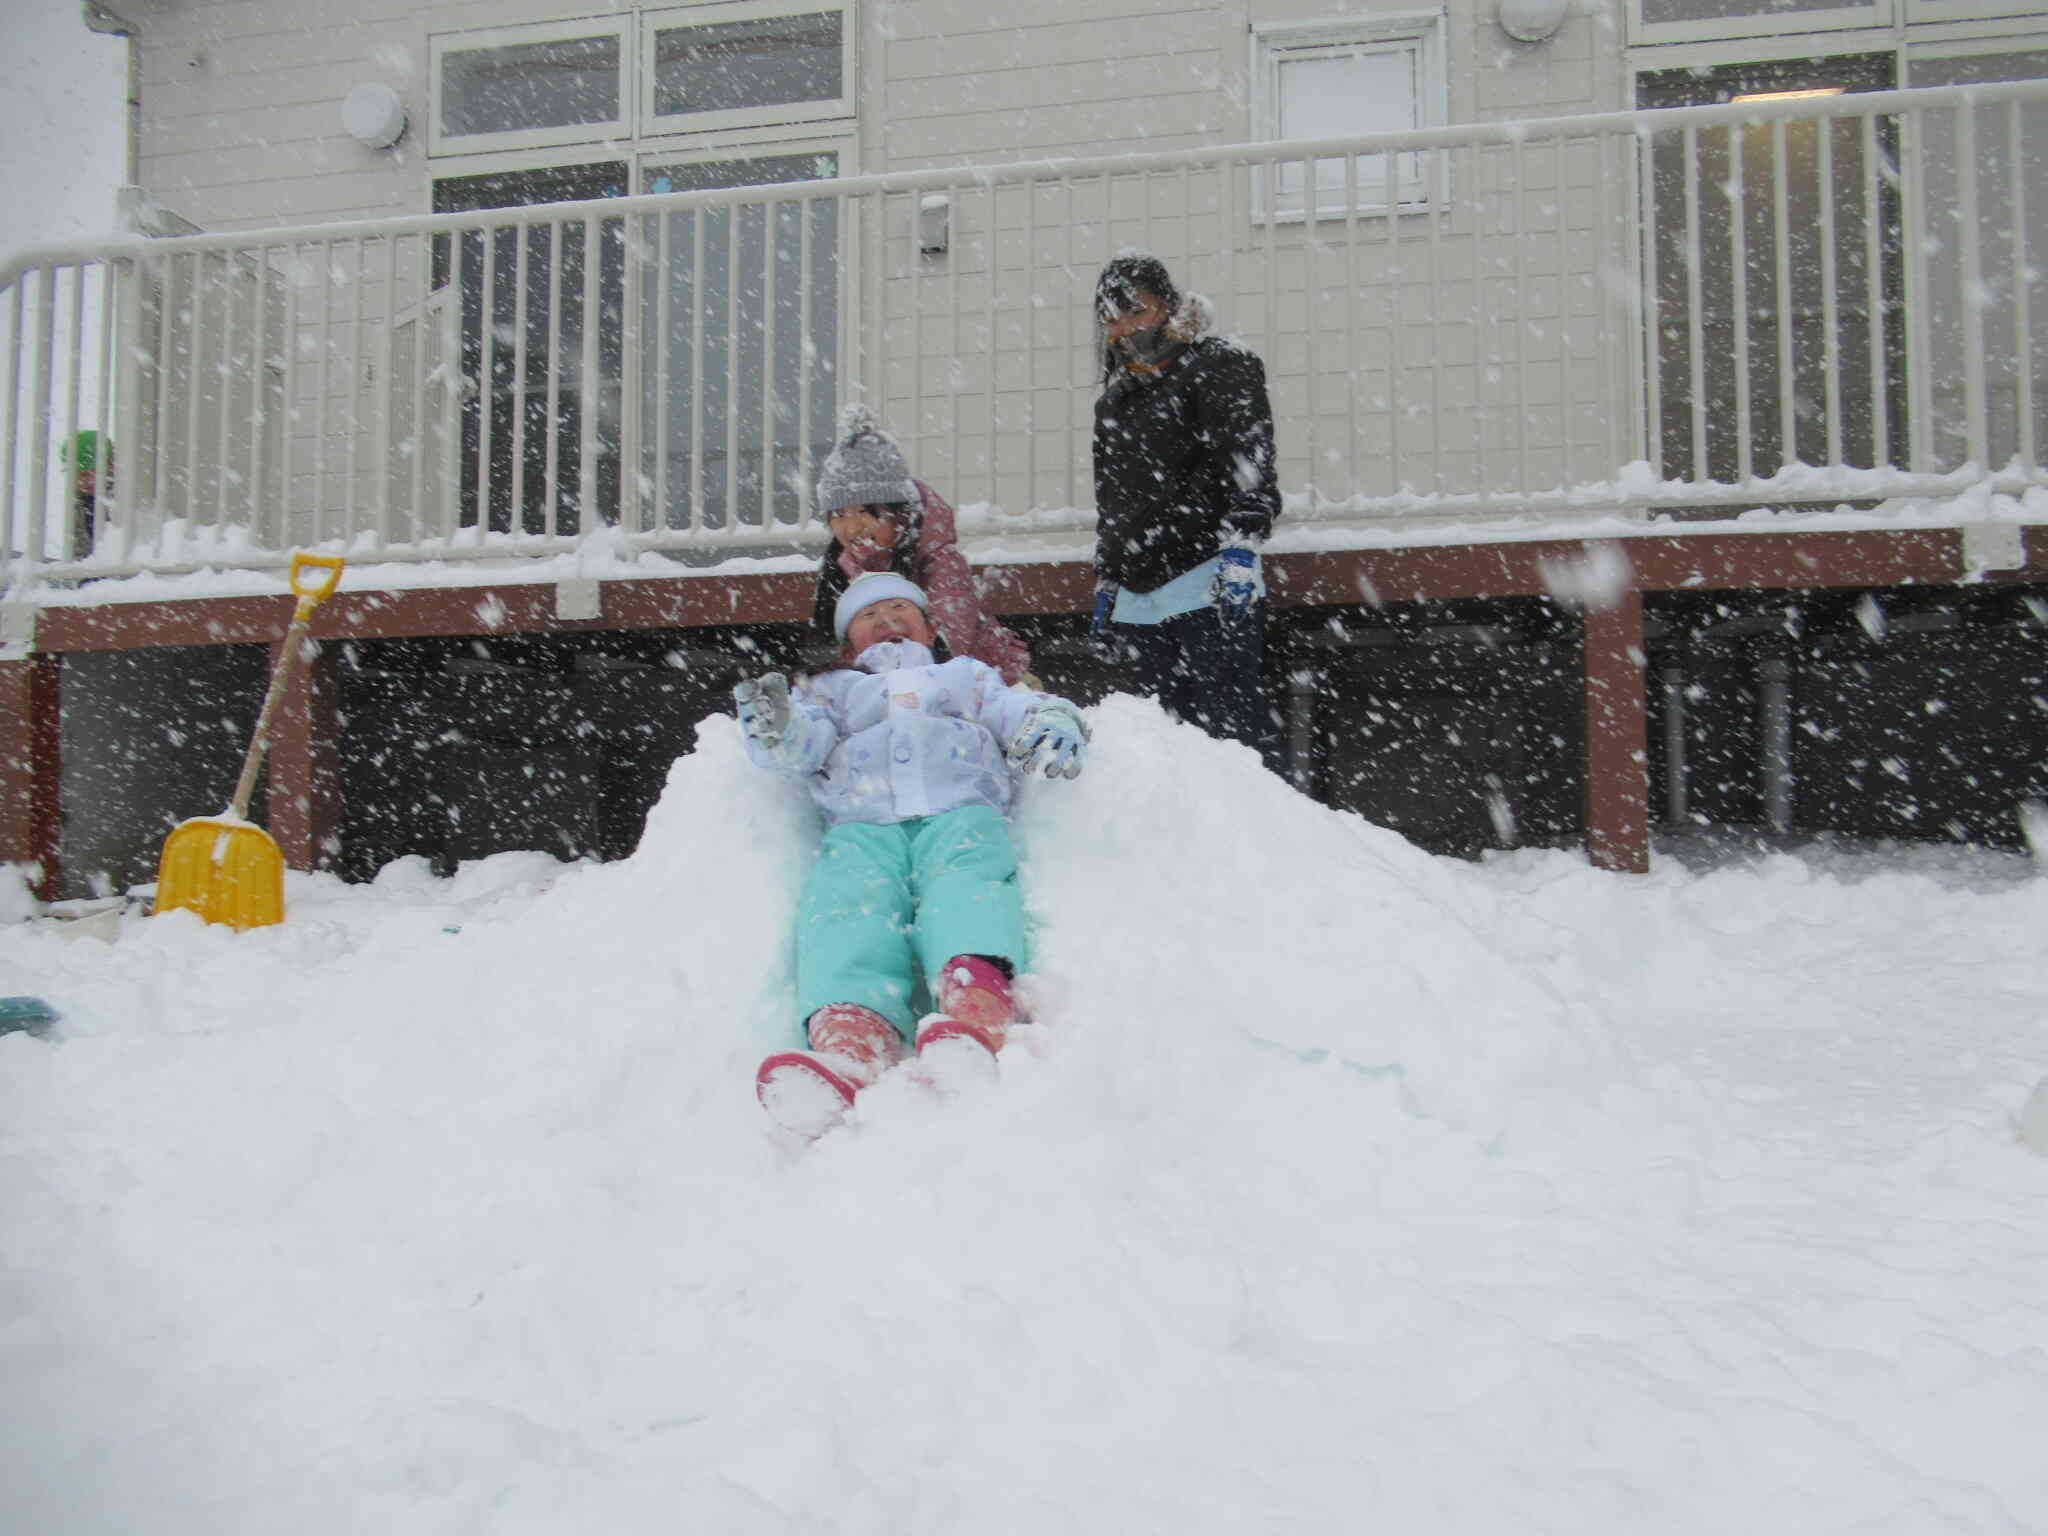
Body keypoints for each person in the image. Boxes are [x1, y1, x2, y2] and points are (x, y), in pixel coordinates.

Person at [736, 571, 1088, 1138]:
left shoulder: (963, 675)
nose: (887, 619)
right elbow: (804, 744)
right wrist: (779, 730)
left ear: (930, 626)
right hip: (861, 823)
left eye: (901, 607)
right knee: (847, 908)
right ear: (850, 643)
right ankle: (851, 1034)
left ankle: (976, 1003)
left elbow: (1009, 706)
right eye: (868, 615)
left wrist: (1050, 717)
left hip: (961, 809)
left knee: (968, 884)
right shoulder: (834, 689)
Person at [1091, 251, 1282, 766]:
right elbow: (1111, 500)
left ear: (1168, 307)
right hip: (1140, 593)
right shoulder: (1115, 402)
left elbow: (1248, 456)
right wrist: (1109, 576)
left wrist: (1242, 545)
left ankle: (1274, 842)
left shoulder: (1219, 365)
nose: (1123, 328)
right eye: (1111, 318)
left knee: (1233, 732)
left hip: (1208, 577)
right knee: (1165, 739)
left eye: (1136, 312)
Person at [810, 403, 1035, 685]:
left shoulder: (939, 559)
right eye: (839, 515)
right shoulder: (844, 567)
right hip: (898, 684)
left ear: (900, 514)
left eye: (866, 512)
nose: (852, 527)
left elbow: (950, 626)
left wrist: (917, 670)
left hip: (980, 681)